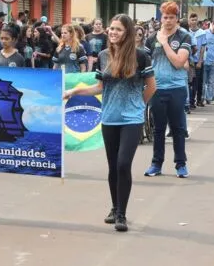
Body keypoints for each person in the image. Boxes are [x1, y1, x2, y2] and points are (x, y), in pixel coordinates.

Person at [63, 14, 155, 232]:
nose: (113, 32)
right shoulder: (104, 55)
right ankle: (115, 208)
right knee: (113, 166)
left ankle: (122, 213)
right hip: (109, 118)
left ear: (128, 33)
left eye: (119, 30)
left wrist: (138, 107)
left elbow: (151, 87)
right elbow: (99, 87)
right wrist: (74, 91)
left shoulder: (141, 57)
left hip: (131, 119)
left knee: (124, 164)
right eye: (111, 28)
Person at [143, 1, 192, 178]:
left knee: (178, 128)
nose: (168, 21)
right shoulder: (150, 38)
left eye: (172, 17)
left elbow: (179, 63)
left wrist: (164, 43)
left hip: (177, 88)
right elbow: (145, 63)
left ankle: (181, 164)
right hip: (156, 88)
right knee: (158, 128)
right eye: (165, 17)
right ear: (160, 18)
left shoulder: (184, 37)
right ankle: (156, 164)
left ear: (177, 19)